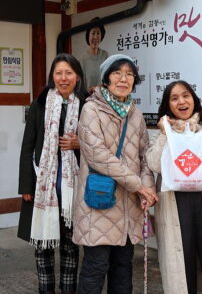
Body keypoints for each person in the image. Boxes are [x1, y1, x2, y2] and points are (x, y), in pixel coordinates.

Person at [72, 54, 158, 294]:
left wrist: (148, 186)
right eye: (117, 72)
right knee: (95, 267)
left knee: (123, 266)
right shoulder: (91, 110)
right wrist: (137, 185)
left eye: (129, 74)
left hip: (129, 206)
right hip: (99, 202)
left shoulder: (136, 114)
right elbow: (98, 155)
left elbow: (145, 155)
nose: (124, 78)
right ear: (106, 78)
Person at [145, 80, 202, 294]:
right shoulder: (163, 131)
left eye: (185, 95)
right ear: (168, 105)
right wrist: (163, 134)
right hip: (175, 207)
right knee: (181, 267)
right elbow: (152, 164)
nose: (181, 101)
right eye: (174, 98)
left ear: (194, 99)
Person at [17, 53, 89, 294]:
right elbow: (28, 145)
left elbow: (98, 141)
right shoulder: (40, 103)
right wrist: (26, 186)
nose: (63, 78)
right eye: (58, 73)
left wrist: (81, 143)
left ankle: (68, 290)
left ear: (77, 76)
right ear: (52, 76)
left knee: (70, 246)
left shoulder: (87, 104)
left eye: (69, 72)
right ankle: (45, 290)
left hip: (73, 188)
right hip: (43, 187)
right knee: (43, 245)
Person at [79, 17, 109, 89]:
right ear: (88, 35)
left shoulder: (105, 55)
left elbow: (108, 81)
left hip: (103, 99)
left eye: (98, 33)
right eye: (93, 33)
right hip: (87, 99)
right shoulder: (82, 59)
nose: (95, 37)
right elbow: (80, 86)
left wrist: (97, 88)